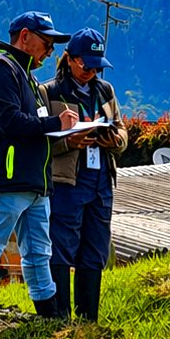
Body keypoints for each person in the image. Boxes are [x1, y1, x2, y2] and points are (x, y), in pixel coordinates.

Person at [0, 11, 80, 321]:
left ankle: (49, 322)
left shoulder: (24, 74)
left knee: (40, 254)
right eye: (47, 42)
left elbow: (30, 124)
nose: (51, 51)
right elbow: (9, 122)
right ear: (25, 36)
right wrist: (57, 123)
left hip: (33, 182)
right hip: (7, 180)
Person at [44, 28, 127, 322]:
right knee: (62, 247)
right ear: (71, 59)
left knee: (95, 248)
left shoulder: (105, 90)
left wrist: (113, 140)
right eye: (86, 65)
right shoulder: (49, 92)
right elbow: (39, 141)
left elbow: (121, 128)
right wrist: (70, 142)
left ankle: (89, 319)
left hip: (102, 179)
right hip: (68, 182)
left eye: (96, 67)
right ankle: (60, 317)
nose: (91, 71)